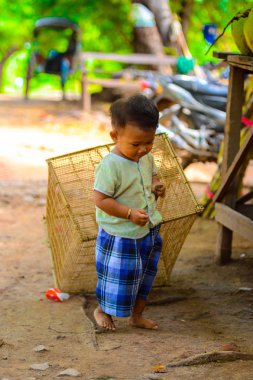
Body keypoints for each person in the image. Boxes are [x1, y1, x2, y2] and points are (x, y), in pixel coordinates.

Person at [93, 94, 166, 331]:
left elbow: (152, 175)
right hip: (121, 233)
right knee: (116, 279)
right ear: (115, 136)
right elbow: (101, 199)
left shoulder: (146, 157)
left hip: (148, 229)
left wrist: (157, 185)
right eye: (136, 144)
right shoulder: (110, 165)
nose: (143, 149)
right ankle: (102, 310)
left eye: (149, 142)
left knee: (144, 276)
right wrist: (128, 214)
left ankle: (137, 315)